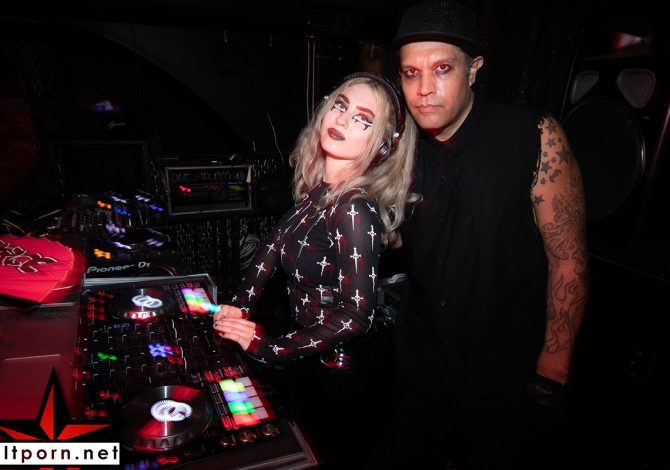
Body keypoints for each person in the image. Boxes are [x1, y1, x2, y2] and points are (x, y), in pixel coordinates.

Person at [386, 1, 589, 469]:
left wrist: (552, 373)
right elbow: (397, 241)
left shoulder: (534, 136)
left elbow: (569, 258)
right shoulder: (400, 146)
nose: (424, 89)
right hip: (420, 371)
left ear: (473, 69)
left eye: (442, 69)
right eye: (411, 73)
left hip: (503, 379)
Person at [212, 71, 417, 365]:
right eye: (341, 105)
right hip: (307, 351)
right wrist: (240, 304)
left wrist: (269, 348)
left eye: (362, 119)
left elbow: (357, 316)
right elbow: (274, 244)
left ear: (382, 146)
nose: (342, 120)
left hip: (336, 367)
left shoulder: (353, 210)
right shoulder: (323, 190)